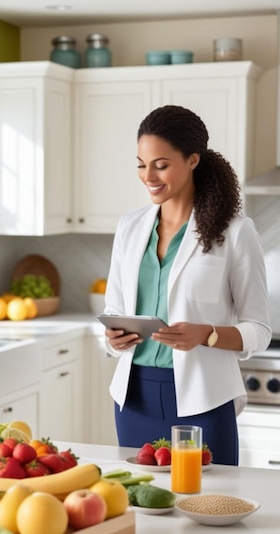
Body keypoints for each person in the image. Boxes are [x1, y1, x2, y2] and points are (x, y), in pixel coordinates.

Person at [104, 104, 271, 465]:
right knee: (142, 503)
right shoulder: (130, 228)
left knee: (209, 505)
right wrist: (112, 337)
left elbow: (259, 330)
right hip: (135, 396)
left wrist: (207, 335)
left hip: (203, 399)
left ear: (193, 160)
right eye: (141, 164)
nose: (148, 175)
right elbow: (113, 310)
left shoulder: (235, 233)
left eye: (161, 165)